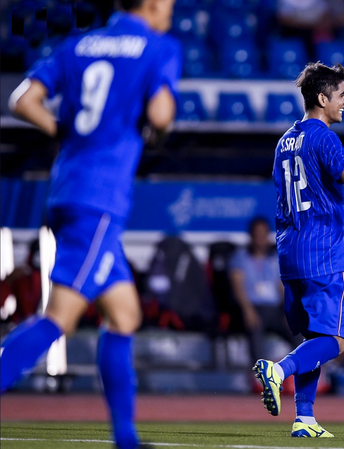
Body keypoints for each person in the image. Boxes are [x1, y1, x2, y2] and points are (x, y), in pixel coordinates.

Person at [1, 1, 179, 448]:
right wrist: (158, 121)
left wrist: (62, 131)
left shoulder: (77, 44)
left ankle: (126, 439)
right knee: (59, 317)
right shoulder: (158, 47)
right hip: (100, 199)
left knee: (124, 316)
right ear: (154, 3)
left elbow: (22, 99)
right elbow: (160, 115)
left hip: (68, 189)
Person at [253, 62, 344, 437]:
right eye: (341, 95)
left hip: (289, 253)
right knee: (335, 340)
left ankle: (305, 418)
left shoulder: (285, 141)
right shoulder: (323, 136)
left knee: (312, 338)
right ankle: (278, 370)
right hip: (323, 253)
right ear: (322, 97)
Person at [230, 217, 297, 361]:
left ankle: (303, 372)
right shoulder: (240, 257)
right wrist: (247, 310)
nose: (260, 238)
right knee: (255, 327)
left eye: (263, 234)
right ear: (251, 236)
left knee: (296, 328)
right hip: (252, 307)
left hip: (273, 309)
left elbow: (282, 287)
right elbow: (237, 287)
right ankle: (259, 375)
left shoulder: (276, 258)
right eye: (257, 234)